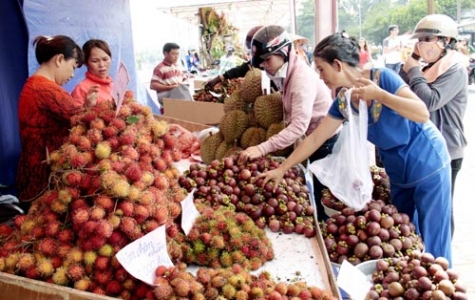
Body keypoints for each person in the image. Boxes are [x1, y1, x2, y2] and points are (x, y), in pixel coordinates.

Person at [258, 33, 452, 263]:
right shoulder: (344, 101)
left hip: (427, 161)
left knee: (434, 236)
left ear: (337, 65)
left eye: (321, 69)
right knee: (405, 234)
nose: (320, 78)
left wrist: (380, 95)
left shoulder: (383, 78)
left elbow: (422, 113)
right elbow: (314, 139)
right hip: (397, 169)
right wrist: (283, 168)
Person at [237, 25, 338, 221]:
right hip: (312, 136)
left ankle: (323, 227)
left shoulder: (300, 80)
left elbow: (299, 125)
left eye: (268, 59)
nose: (265, 65)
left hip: (325, 141)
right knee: (314, 190)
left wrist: (263, 147)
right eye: (262, 62)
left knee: (321, 194)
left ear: (283, 52)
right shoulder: (287, 72)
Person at [401, 14, 468, 238]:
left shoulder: (454, 69)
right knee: (426, 209)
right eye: (419, 40)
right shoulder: (430, 67)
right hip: (426, 149)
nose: (422, 44)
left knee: (441, 212)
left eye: (427, 39)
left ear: (445, 41)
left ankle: (443, 259)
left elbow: (428, 101)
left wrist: (414, 71)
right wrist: (411, 62)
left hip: (447, 150)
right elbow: (401, 88)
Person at [16, 35, 94, 204]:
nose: (72, 74)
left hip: (33, 175)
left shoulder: (34, 85)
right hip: (44, 180)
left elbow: (72, 115)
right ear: (59, 59)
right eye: (73, 67)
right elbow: (85, 120)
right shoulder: (45, 90)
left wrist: (86, 107)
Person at [150, 42, 192, 112]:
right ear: (165, 54)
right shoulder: (160, 68)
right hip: (168, 105)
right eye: (173, 54)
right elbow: (153, 85)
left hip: (180, 104)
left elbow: (184, 81)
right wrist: (170, 88)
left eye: (177, 54)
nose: (176, 56)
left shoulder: (177, 67)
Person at [71, 39, 113, 105]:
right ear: (86, 63)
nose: (101, 65)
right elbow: (75, 115)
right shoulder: (81, 89)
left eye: (105, 59)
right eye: (95, 61)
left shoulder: (113, 86)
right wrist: (87, 106)